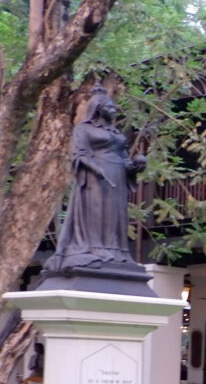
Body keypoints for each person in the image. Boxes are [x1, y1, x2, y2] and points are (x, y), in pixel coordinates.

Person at [44, 86, 146, 273]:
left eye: (114, 107)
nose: (113, 110)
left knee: (116, 213)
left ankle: (116, 251)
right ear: (98, 108)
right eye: (109, 107)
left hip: (118, 175)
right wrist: (96, 169)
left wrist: (135, 166)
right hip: (95, 175)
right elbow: (79, 154)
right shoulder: (84, 129)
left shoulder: (116, 133)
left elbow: (124, 158)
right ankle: (96, 248)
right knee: (98, 210)